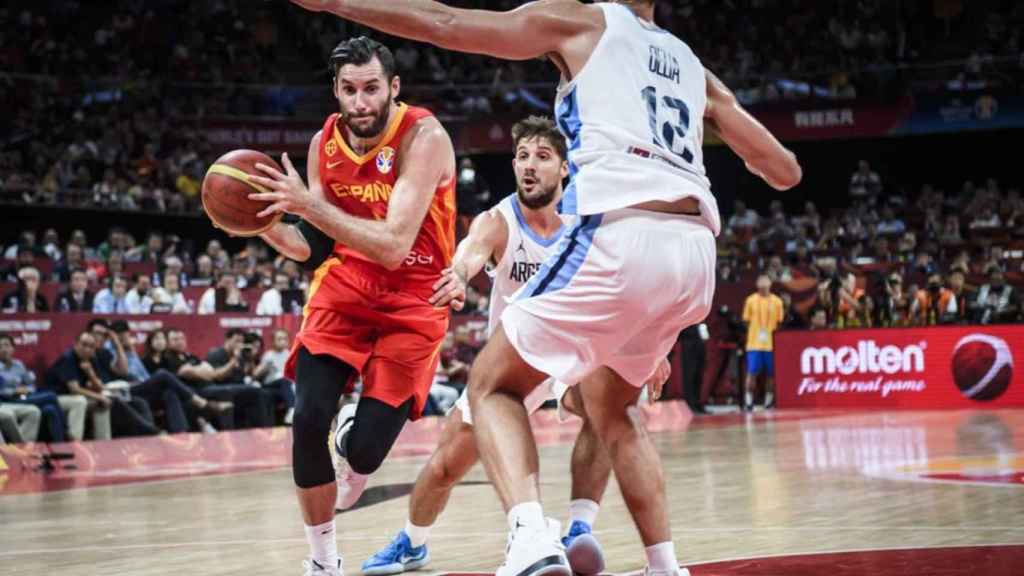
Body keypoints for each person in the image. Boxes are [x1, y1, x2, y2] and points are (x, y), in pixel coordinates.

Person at [288, 2, 800, 576]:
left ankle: (532, 539)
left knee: (490, 387)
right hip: (696, 251)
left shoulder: (586, 22)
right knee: (615, 411)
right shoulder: (689, 64)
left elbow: (446, 24)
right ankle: (664, 565)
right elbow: (783, 171)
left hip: (622, 233)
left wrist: (334, 4)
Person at [364, 116, 653, 576]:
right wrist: (458, 275)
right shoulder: (499, 220)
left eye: (542, 157)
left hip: (570, 359)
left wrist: (648, 352)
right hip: (512, 365)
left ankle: (579, 528)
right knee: (444, 467)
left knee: (608, 403)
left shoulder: (587, 222)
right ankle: (412, 542)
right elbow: (472, 250)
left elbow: (628, 289)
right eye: (522, 157)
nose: (529, 166)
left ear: (564, 169)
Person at [246, 36, 457, 576]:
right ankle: (322, 562)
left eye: (371, 89)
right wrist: (262, 224)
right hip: (345, 288)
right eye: (349, 90)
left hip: (415, 297)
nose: (360, 102)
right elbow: (313, 246)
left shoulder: (424, 136)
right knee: (308, 418)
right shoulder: (324, 143)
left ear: (393, 88)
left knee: (363, 453)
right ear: (335, 90)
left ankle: (355, 441)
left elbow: (393, 245)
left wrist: (308, 205)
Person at [109, 321, 232, 434]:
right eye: (122, 335)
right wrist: (119, 346)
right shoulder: (110, 350)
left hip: (146, 386)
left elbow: (145, 375)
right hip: (127, 389)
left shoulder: (133, 352)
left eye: (126, 334)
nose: (126, 338)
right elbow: (124, 371)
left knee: (170, 392)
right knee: (163, 375)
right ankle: (203, 405)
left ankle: (181, 432)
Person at [0, 334, 68, 441]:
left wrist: (28, 389)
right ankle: (67, 431)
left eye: (7, 345)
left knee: (50, 409)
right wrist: (14, 391)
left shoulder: (18, 365)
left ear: (13, 348)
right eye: (0, 346)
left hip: (24, 397)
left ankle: (60, 446)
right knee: (51, 396)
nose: (4, 349)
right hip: (7, 400)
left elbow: (30, 384)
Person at [741, 275, 784, 411]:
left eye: (766, 286)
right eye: (762, 286)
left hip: (771, 344)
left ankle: (768, 402)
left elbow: (779, 322)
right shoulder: (751, 300)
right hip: (754, 344)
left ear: (770, 286)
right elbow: (746, 320)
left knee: (771, 374)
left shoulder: (777, 301)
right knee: (751, 373)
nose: (764, 288)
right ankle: (748, 402)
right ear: (758, 286)